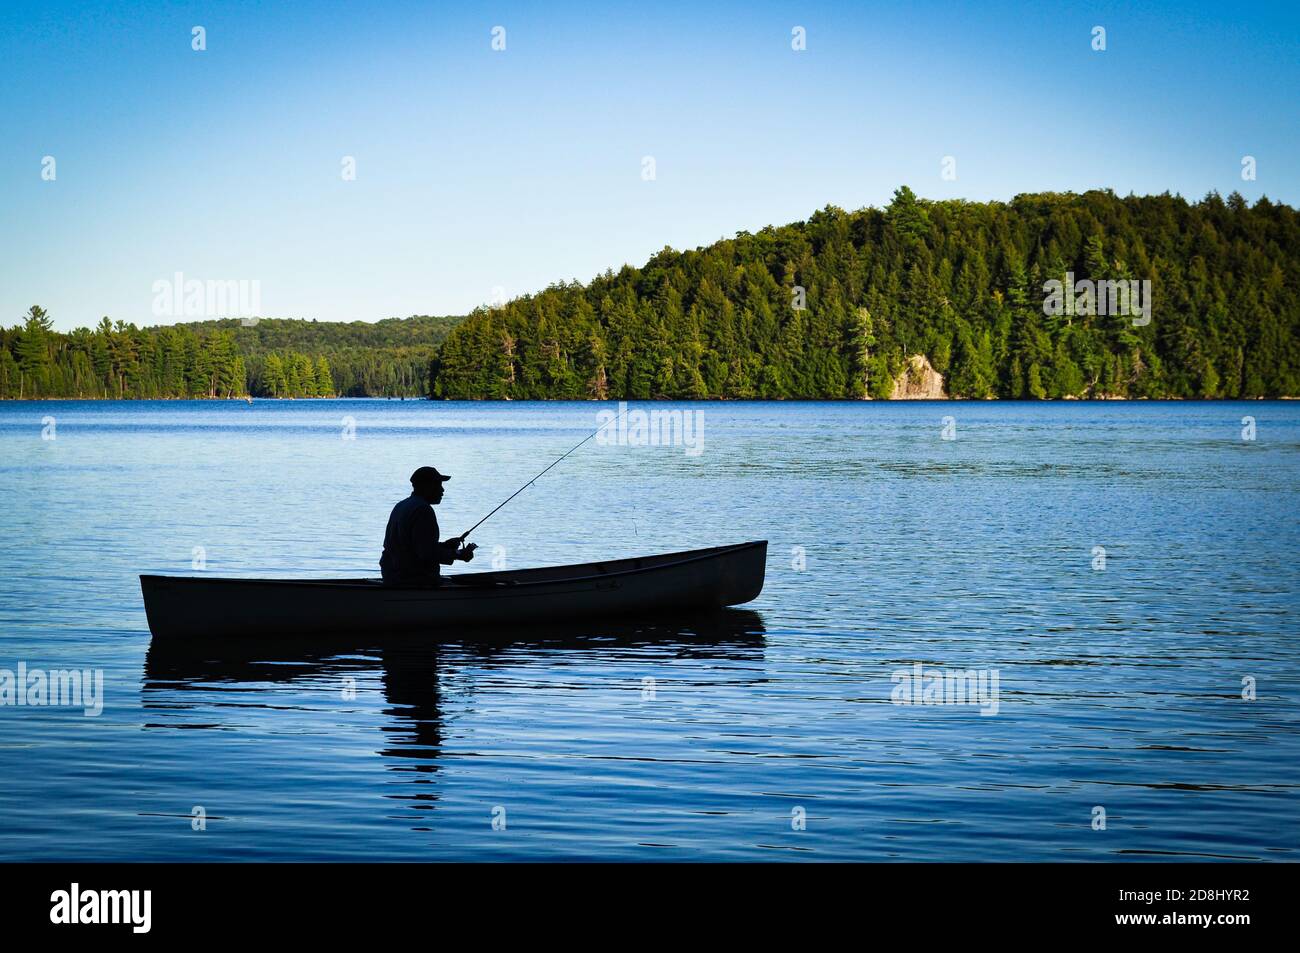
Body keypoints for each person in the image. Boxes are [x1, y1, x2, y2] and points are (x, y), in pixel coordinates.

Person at [380, 466, 477, 586]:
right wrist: (458, 554)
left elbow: (410, 546)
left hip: (391, 577)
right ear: (425, 486)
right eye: (438, 485)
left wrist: (444, 546)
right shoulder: (423, 510)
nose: (442, 490)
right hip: (414, 581)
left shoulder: (401, 505)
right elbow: (426, 554)